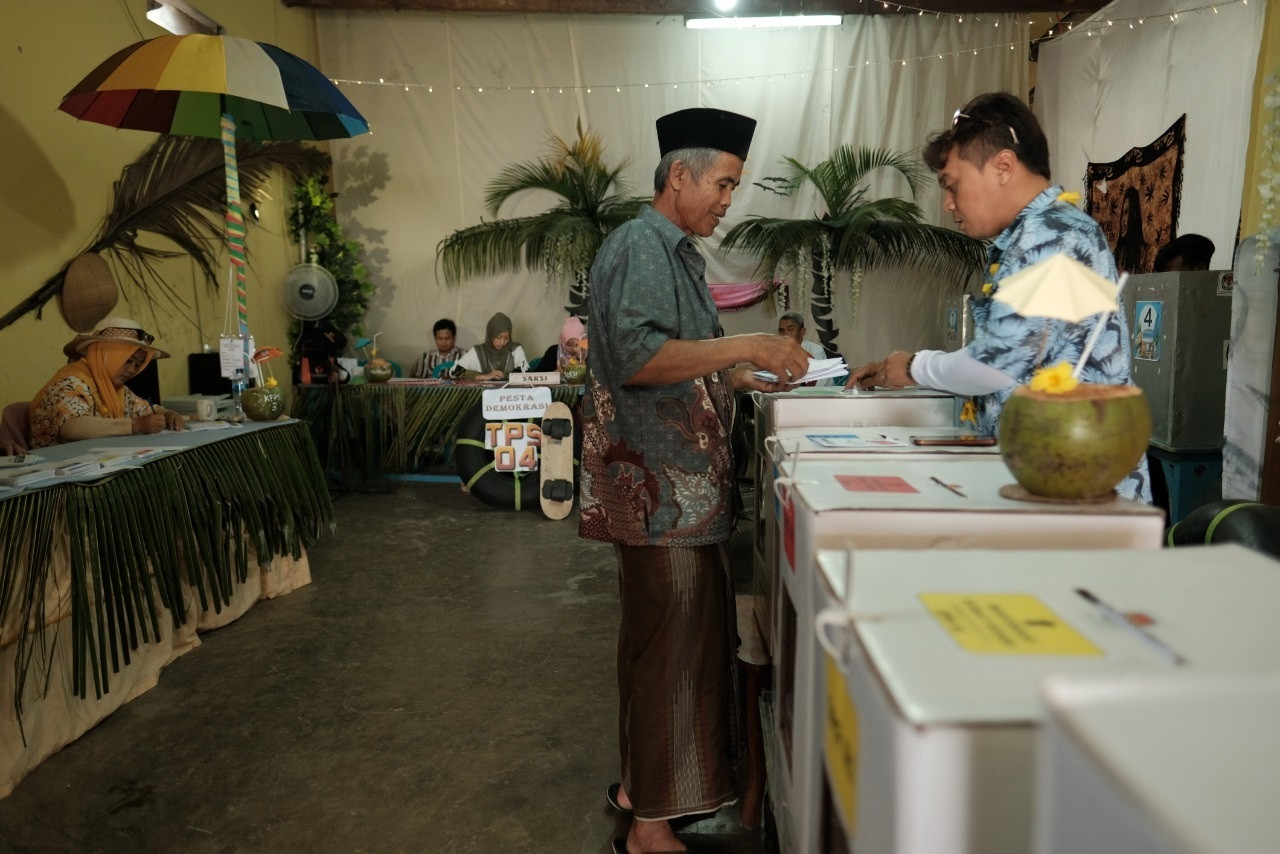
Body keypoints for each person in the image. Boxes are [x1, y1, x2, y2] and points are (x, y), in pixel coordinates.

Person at [578, 107, 811, 854]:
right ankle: (649, 828)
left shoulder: (671, 249)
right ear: (678, 174)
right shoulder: (642, 245)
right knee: (672, 649)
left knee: (659, 644)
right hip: (658, 496)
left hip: (677, 493)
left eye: (733, 188)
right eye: (721, 184)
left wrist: (738, 371)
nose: (725, 200)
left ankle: (636, 788)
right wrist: (746, 341)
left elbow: (685, 357)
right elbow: (639, 360)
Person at [844, 92, 1149, 502]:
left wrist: (915, 366)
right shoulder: (1037, 234)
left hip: (1078, 484)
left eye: (952, 186)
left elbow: (995, 366)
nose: (948, 204)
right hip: (1052, 476)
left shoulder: (1054, 235)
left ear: (1003, 166)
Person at [29, 316, 184, 449]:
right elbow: (71, 427)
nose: (132, 370)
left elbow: (146, 410)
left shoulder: (116, 388)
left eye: (138, 365)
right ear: (104, 354)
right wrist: (133, 426)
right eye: (127, 361)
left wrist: (169, 414)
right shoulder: (71, 381)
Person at [450, 312, 530, 381]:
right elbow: (455, 372)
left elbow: (525, 371)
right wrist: (485, 376)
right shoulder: (479, 351)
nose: (502, 342)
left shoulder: (514, 349)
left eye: (507, 338)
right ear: (490, 335)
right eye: (498, 337)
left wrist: (504, 375)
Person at [777, 310, 834, 386]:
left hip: (818, 393)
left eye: (790, 329)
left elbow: (820, 382)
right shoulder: (776, 351)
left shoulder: (815, 350)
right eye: (781, 331)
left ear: (802, 332)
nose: (785, 334)